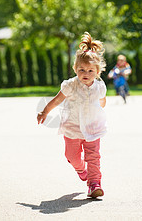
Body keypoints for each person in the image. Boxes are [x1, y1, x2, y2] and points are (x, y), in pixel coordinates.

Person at [37, 32, 107, 198]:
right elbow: (57, 100)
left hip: (92, 128)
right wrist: (45, 111)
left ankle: (94, 184)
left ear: (97, 71)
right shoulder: (70, 85)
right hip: (72, 129)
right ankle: (80, 169)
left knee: (94, 157)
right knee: (71, 156)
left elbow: (102, 101)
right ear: (75, 69)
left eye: (90, 70)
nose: (86, 73)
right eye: (82, 69)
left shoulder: (99, 87)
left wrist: (100, 109)